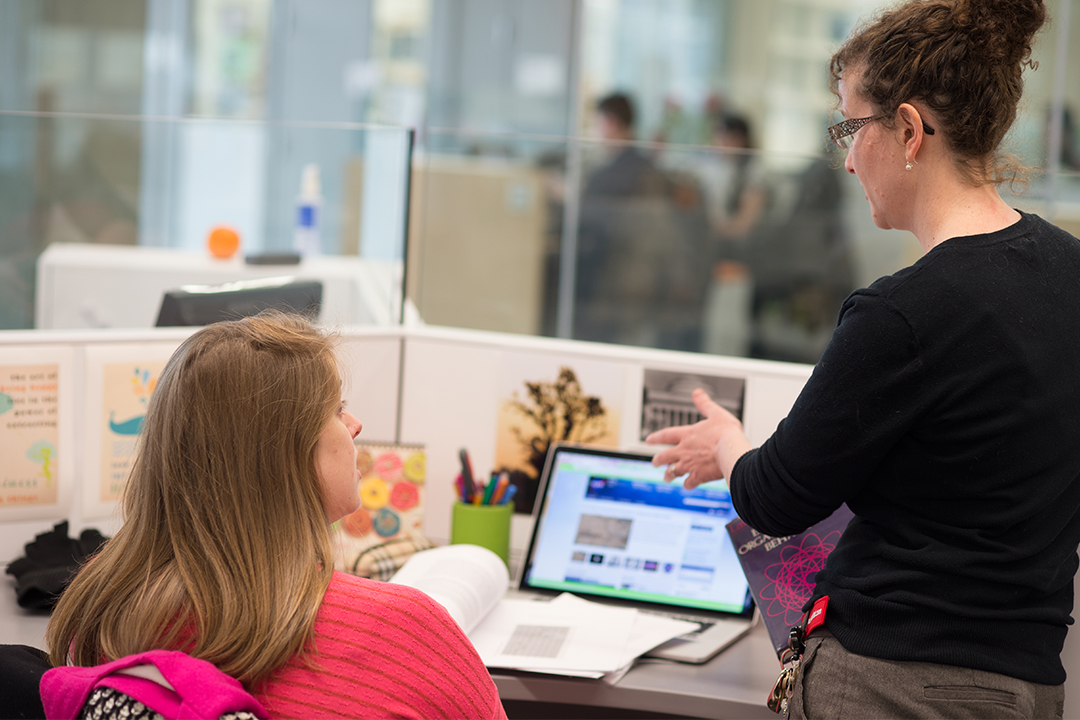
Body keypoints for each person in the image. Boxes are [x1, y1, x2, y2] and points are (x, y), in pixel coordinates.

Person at [648, 0, 1080, 717]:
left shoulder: (903, 313)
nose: (846, 158)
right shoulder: (1071, 272)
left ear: (908, 130)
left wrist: (728, 442)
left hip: (892, 682)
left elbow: (775, 499)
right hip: (1029, 684)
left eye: (851, 128)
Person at [46, 312, 507, 720]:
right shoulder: (405, 634)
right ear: (283, 457)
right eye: (337, 409)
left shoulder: (103, 609)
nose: (355, 425)